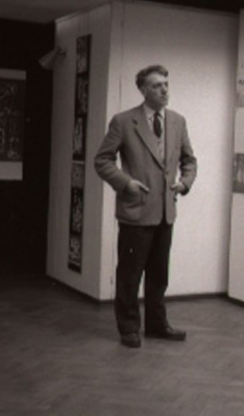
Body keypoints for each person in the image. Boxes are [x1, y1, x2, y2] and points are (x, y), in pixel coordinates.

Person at [94, 64, 197, 348]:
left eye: (166, 84)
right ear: (143, 90)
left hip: (165, 212)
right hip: (136, 211)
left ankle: (156, 324)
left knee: (159, 275)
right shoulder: (123, 121)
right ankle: (129, 327)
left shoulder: (177, 121)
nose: (164, 90)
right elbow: (102, 160)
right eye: (156, 85)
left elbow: (189, 160)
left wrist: (185, 183)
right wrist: (125, 183)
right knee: (130, 275)